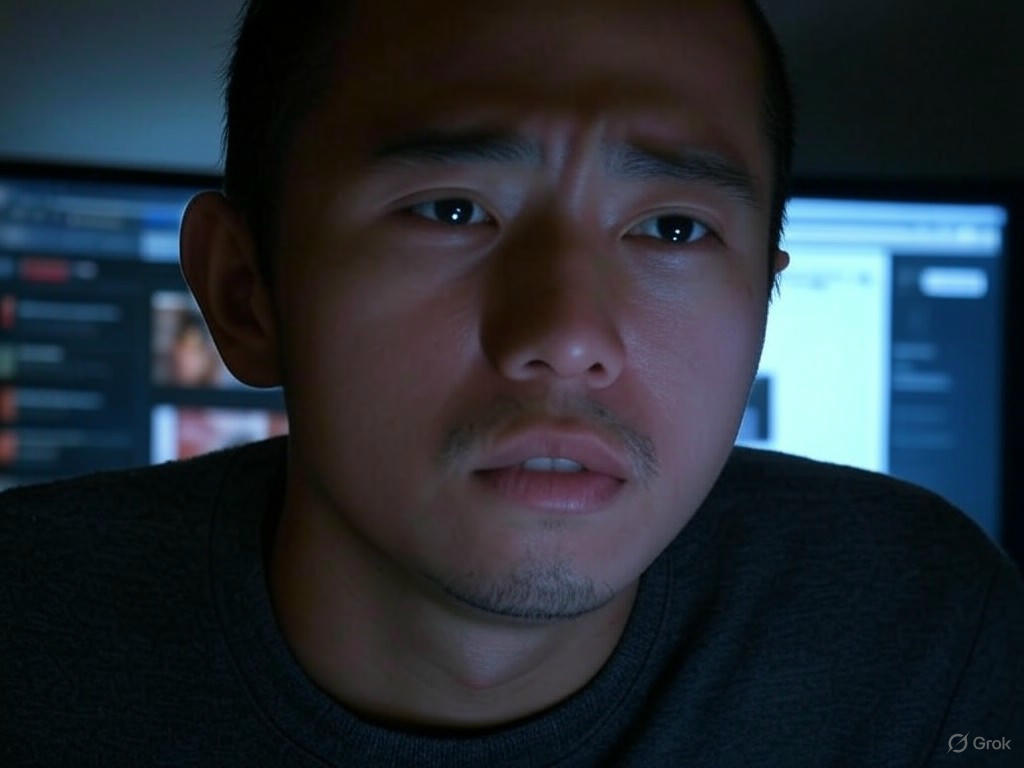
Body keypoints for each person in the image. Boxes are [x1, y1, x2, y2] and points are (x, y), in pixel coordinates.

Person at [2, 0, 1021, 764]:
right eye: (449, 210)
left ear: (763, 298)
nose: (567, 338)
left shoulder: (922, 635)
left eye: (673, 228)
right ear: (244, 294)